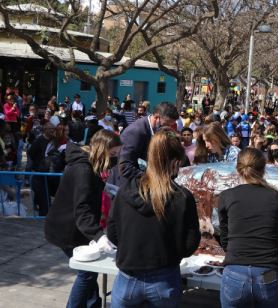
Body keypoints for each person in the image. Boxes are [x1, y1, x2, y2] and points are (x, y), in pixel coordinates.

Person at [107, 130, 201, 307]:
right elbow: (190, 244)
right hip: (162, 277)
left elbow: (112, 233)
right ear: (175, 162)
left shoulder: (125, 191)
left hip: (129, 275)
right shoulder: (182, 197)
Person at [45, 130, 122, 308]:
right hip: (67, 229)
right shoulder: (83, 169)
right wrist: (99, 236)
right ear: (102, 150)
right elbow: (82, 210)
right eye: (112, 154)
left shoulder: (88, 163)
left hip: (75, 227)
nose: (115, 159)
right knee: (87, 273)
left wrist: (105, 187)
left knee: (90, 272)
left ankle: (92, 304)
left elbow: (87, 190)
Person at [218, 148, 278, 308]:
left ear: (237, 169)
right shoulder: (276, 197)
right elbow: (275, 236)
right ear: (263, 168)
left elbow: (224, 237)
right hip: (268, 272)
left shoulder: (226, 196)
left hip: (235, 271)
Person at [118, 102, 179, 180]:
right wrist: (152, 179)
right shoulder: (136, 132)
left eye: (171, 125)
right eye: (166, 124)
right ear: (157, 117)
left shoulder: (158, 130)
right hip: (129, 184)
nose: (168, 128)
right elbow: (125, 167)